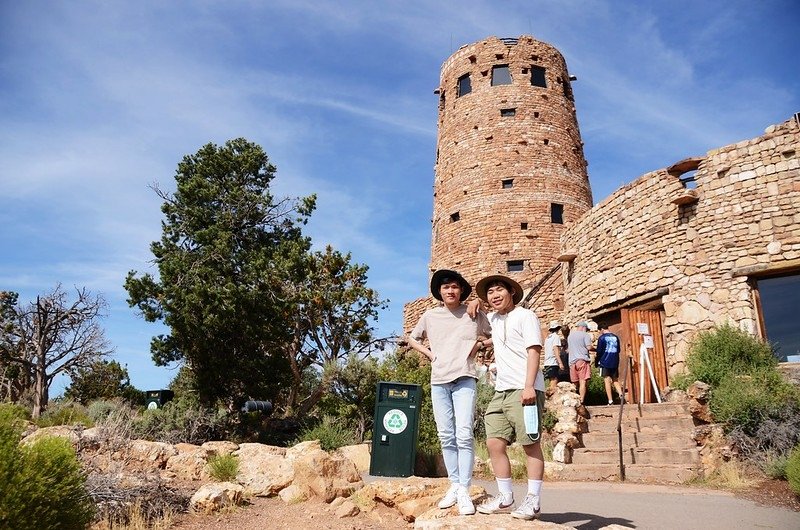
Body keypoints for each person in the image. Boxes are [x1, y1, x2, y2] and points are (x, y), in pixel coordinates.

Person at [407, 269, 490, 516]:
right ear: (440, 292)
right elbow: (413, 338)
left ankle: (464, 489)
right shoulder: (431, 316)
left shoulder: (473, 313)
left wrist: (477, 345)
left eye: (455, 287)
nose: (450, 291)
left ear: (461, 290)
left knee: (463, 433)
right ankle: (454, 485)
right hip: (439, 380)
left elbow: (494, 333)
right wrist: (431, 355)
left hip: (465, 377)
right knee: (446, 435)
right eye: (446, 288)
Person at [471, 274, 546, 521]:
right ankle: (506, 498)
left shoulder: (526, 316)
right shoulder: (493, 318)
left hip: (524, 388)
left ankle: (533, 501)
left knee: (530, 444)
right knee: (494, 443)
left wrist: (529, 386)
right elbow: (480, 320)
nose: (494, 295)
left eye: (499, 290)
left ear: (511, 292)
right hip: (500, 390)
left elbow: (534, 350)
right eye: (490, 292)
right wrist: (473, 304)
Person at [596, 324, 624, 405]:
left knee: (607, 380)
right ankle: (621, 394)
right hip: (614, 361)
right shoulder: (615, 337)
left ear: (601, 329)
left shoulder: (602, 338)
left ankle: (610, 400)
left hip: (604, 361)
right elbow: (618, 349)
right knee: (615, 379)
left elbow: (599, 351)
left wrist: (597, 361)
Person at [567, 321, 593, 404]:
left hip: (571, 362)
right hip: (582, 360)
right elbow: (589, 347)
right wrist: (596, 348)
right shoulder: (585, 335)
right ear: (583, 327)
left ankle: (573, 401)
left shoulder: (570, 336)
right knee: (582, 381)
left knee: (574, 383)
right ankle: (581, 401)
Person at [543, 321, 565, 394]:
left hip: (547, 362)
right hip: (553, 362)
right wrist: (560, 363)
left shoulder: (547, 338)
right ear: (558, 328)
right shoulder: (556, 337)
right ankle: (552, 398)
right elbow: (556, 350)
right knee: (554, 381)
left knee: (550, 381)